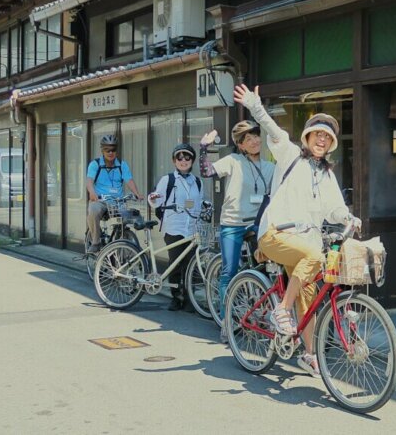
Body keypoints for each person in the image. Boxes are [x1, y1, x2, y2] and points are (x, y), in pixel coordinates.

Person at [233, 84, 359, 377]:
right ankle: (280, 310)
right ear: (308, 136)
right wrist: (254, 105)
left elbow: (334, 208)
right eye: (318, 134)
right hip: (275, 233)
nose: (322, 140)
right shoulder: (290, 154)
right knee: (313, 257)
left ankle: (309, 354)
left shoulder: (326, 172)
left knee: (309, 299)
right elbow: (272, 128)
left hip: (304, 244)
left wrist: (350, 217)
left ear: (331, 144)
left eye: (327, 138)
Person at [199, 120, 275, 341]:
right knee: (229, 271)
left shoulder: (270, 166)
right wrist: (204, 148)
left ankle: (260, 314)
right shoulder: (233, 161)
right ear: (241, 145)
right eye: (247, 139)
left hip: (258, 224)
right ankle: (227, 322)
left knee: (265, 270)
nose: (254, 141)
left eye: (255, 136)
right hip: (233, 222)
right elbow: (207, 171)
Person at [148, 143, 204, 312]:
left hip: (192, 228)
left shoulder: (198, 182)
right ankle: (175, 297)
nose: (183, 160)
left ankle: (189, 298)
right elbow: (156, 200)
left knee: (190, 265)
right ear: (174, 161)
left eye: (187, 157)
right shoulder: (168, 179)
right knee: (176, 263)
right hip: (174, 227)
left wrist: (206, 208)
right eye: (179, 157)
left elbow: (199, 203)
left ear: (192, 160)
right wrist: (153, 198)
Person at [85, 135, 143, 254]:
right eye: (107, 150)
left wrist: (137, 193)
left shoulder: (122, 165)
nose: (111, 152)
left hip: (118, 202)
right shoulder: (95, 164)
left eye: (113, 150)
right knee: (93, 209)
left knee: (128, 219)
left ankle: (125, 249)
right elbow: (89, 181)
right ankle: (96, 241)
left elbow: (129, 180)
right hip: (100, 200)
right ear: (102, 150)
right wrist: (92, 192)